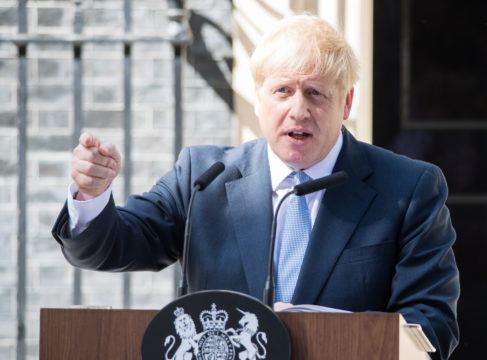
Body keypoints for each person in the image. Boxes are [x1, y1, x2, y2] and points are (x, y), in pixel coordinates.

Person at [52, 15, 460, 359]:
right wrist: (91, 195)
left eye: (315, 93)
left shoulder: (408, 188)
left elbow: (432, 323)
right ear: (259, 98)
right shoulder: (203, 177)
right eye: (283, 90)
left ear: (347, 102)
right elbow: (113, 246)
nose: (298, 110)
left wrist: (339, 334)